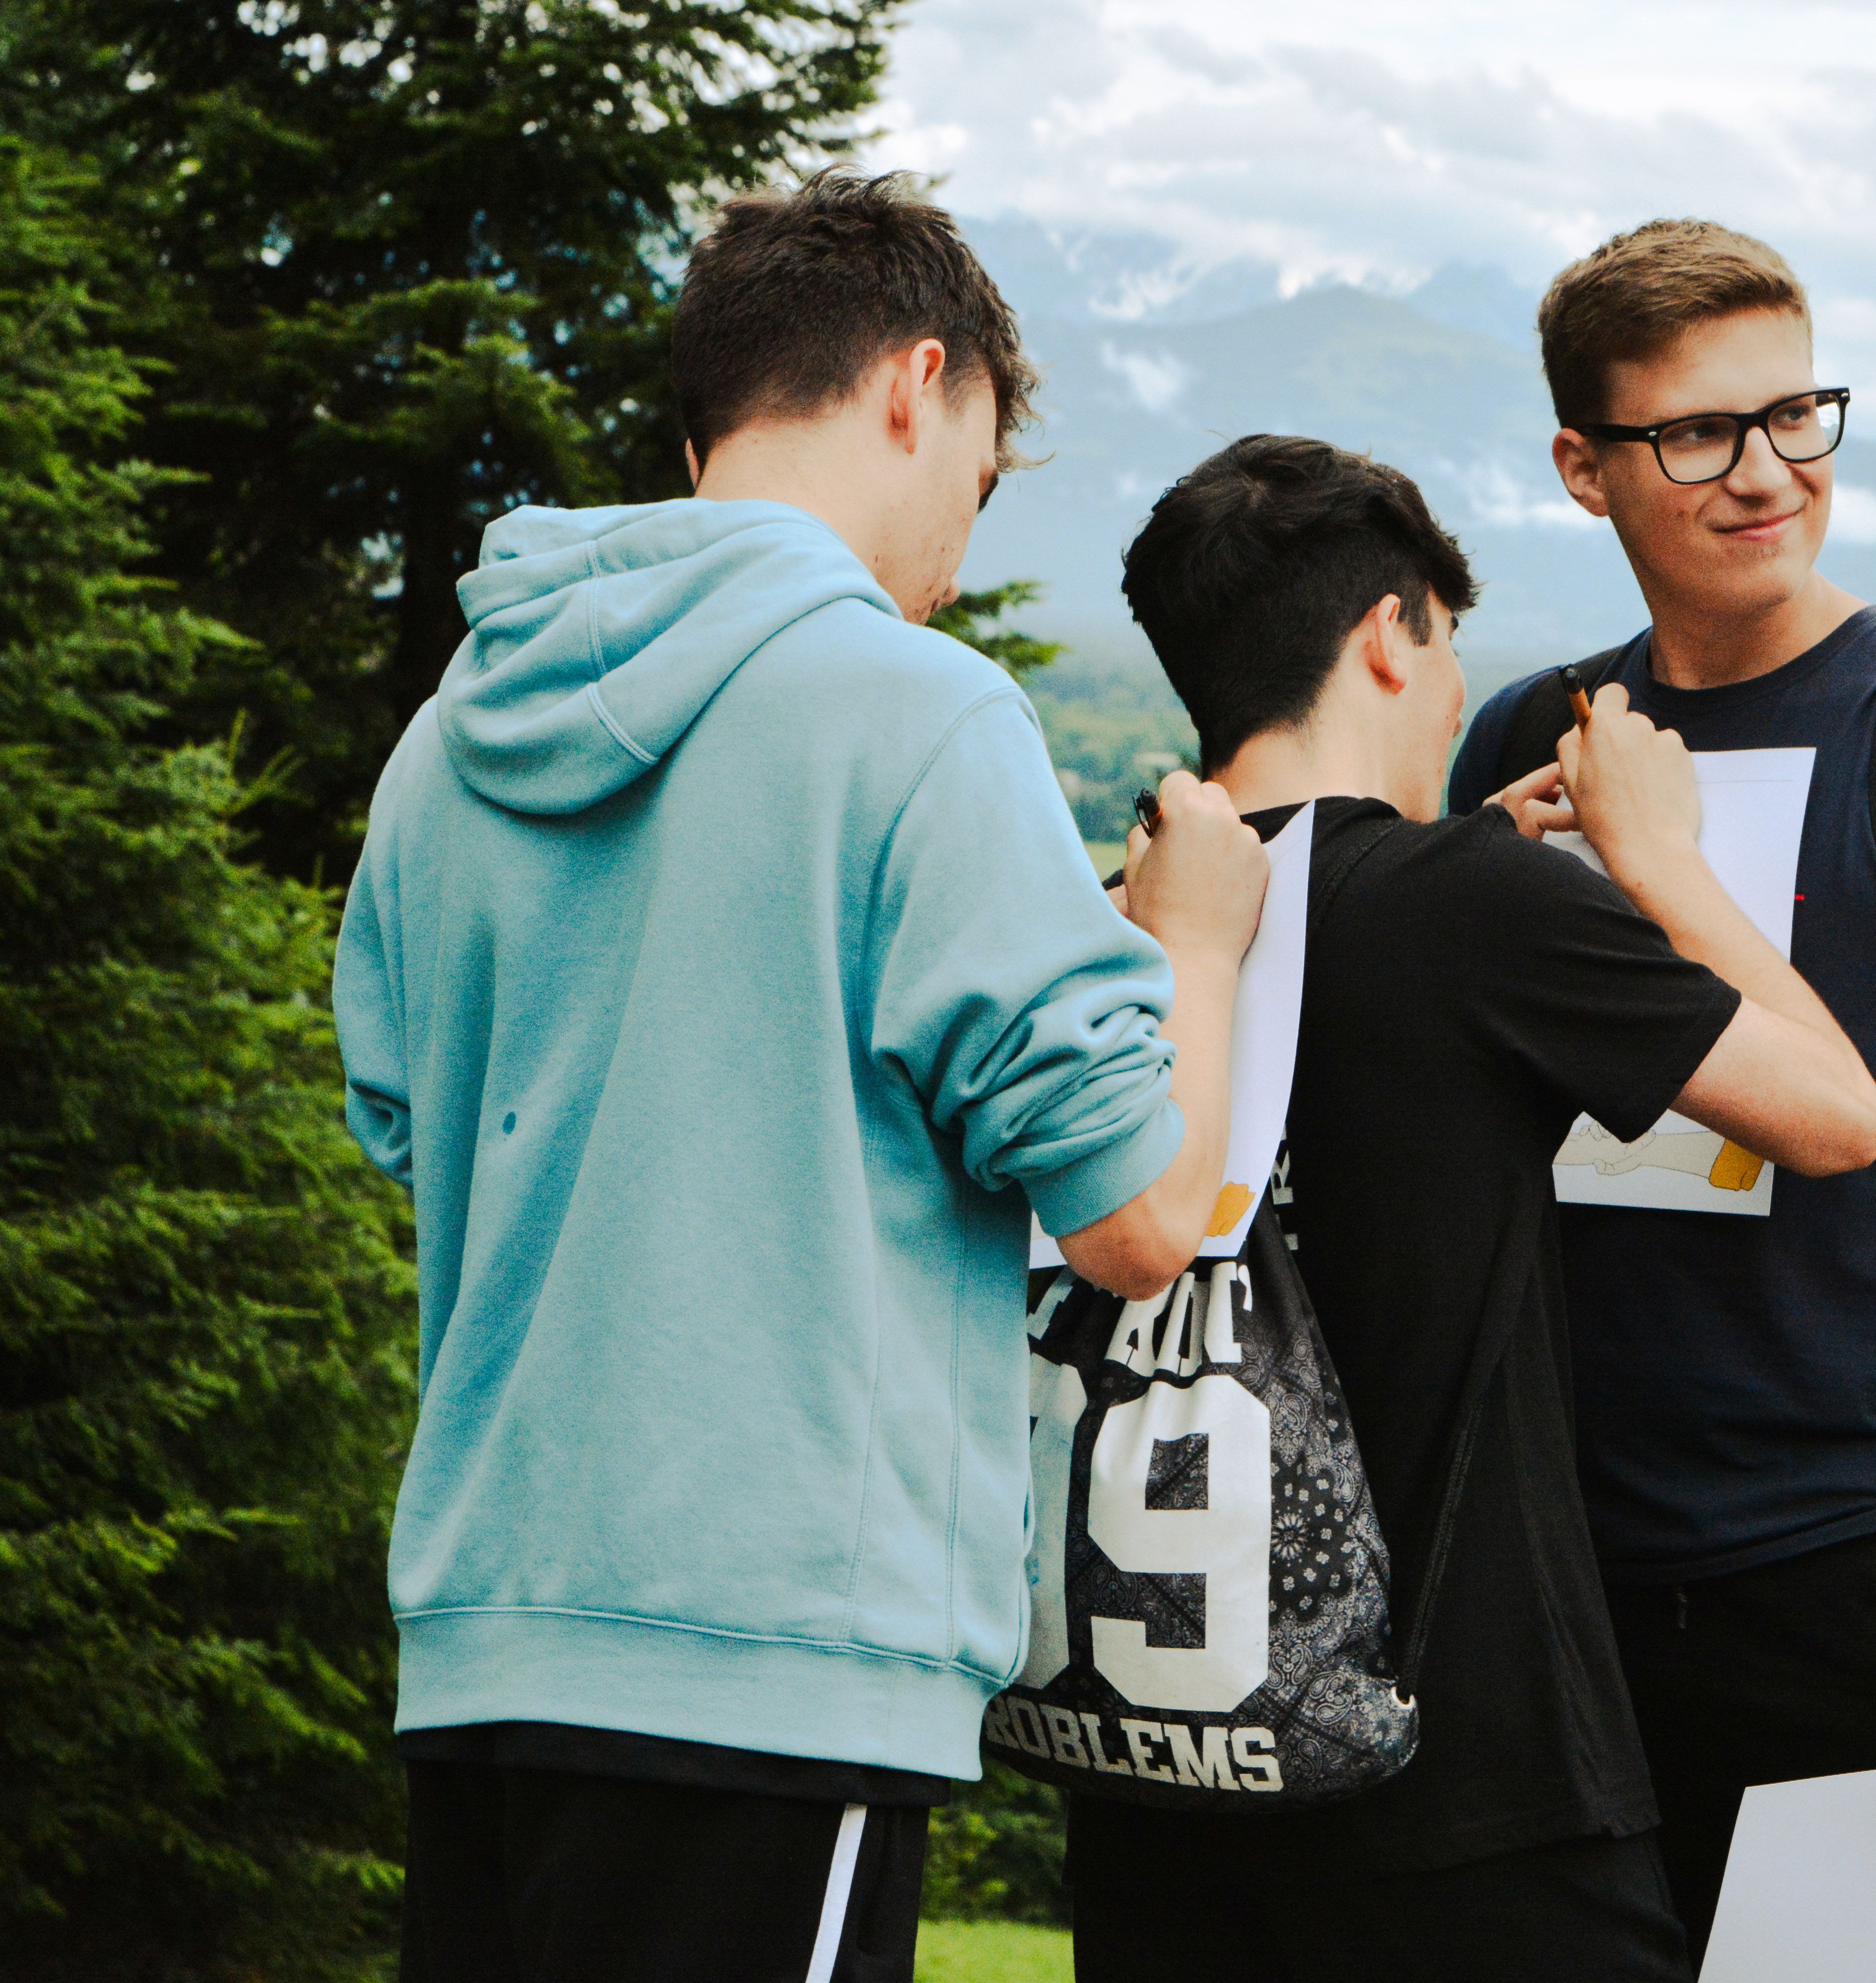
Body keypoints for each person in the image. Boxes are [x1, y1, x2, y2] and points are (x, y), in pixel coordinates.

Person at [332, 169, 1270, 1983]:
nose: (959, 550)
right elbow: (1147, 1215)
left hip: (484, 1648)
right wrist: (1197, 948)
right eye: (984, 478)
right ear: (918, 386)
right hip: (771, 1668)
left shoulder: (448, 738)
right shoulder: (917, 709)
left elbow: (409, 1125)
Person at [1063, 433, 1876, 1983]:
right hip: (1464, 1782)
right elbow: (1839, 1117)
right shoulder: (1473, 906)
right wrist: (1658, 863)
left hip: (1168, 1774)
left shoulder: (1129, 928)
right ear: (1393, 632)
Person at [1442, 219, 1876, 1960]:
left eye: (1798, 416)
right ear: (1582, 468)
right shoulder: (1528, 743)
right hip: (1569, 1590)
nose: (1767, 474)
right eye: (1699, 433)